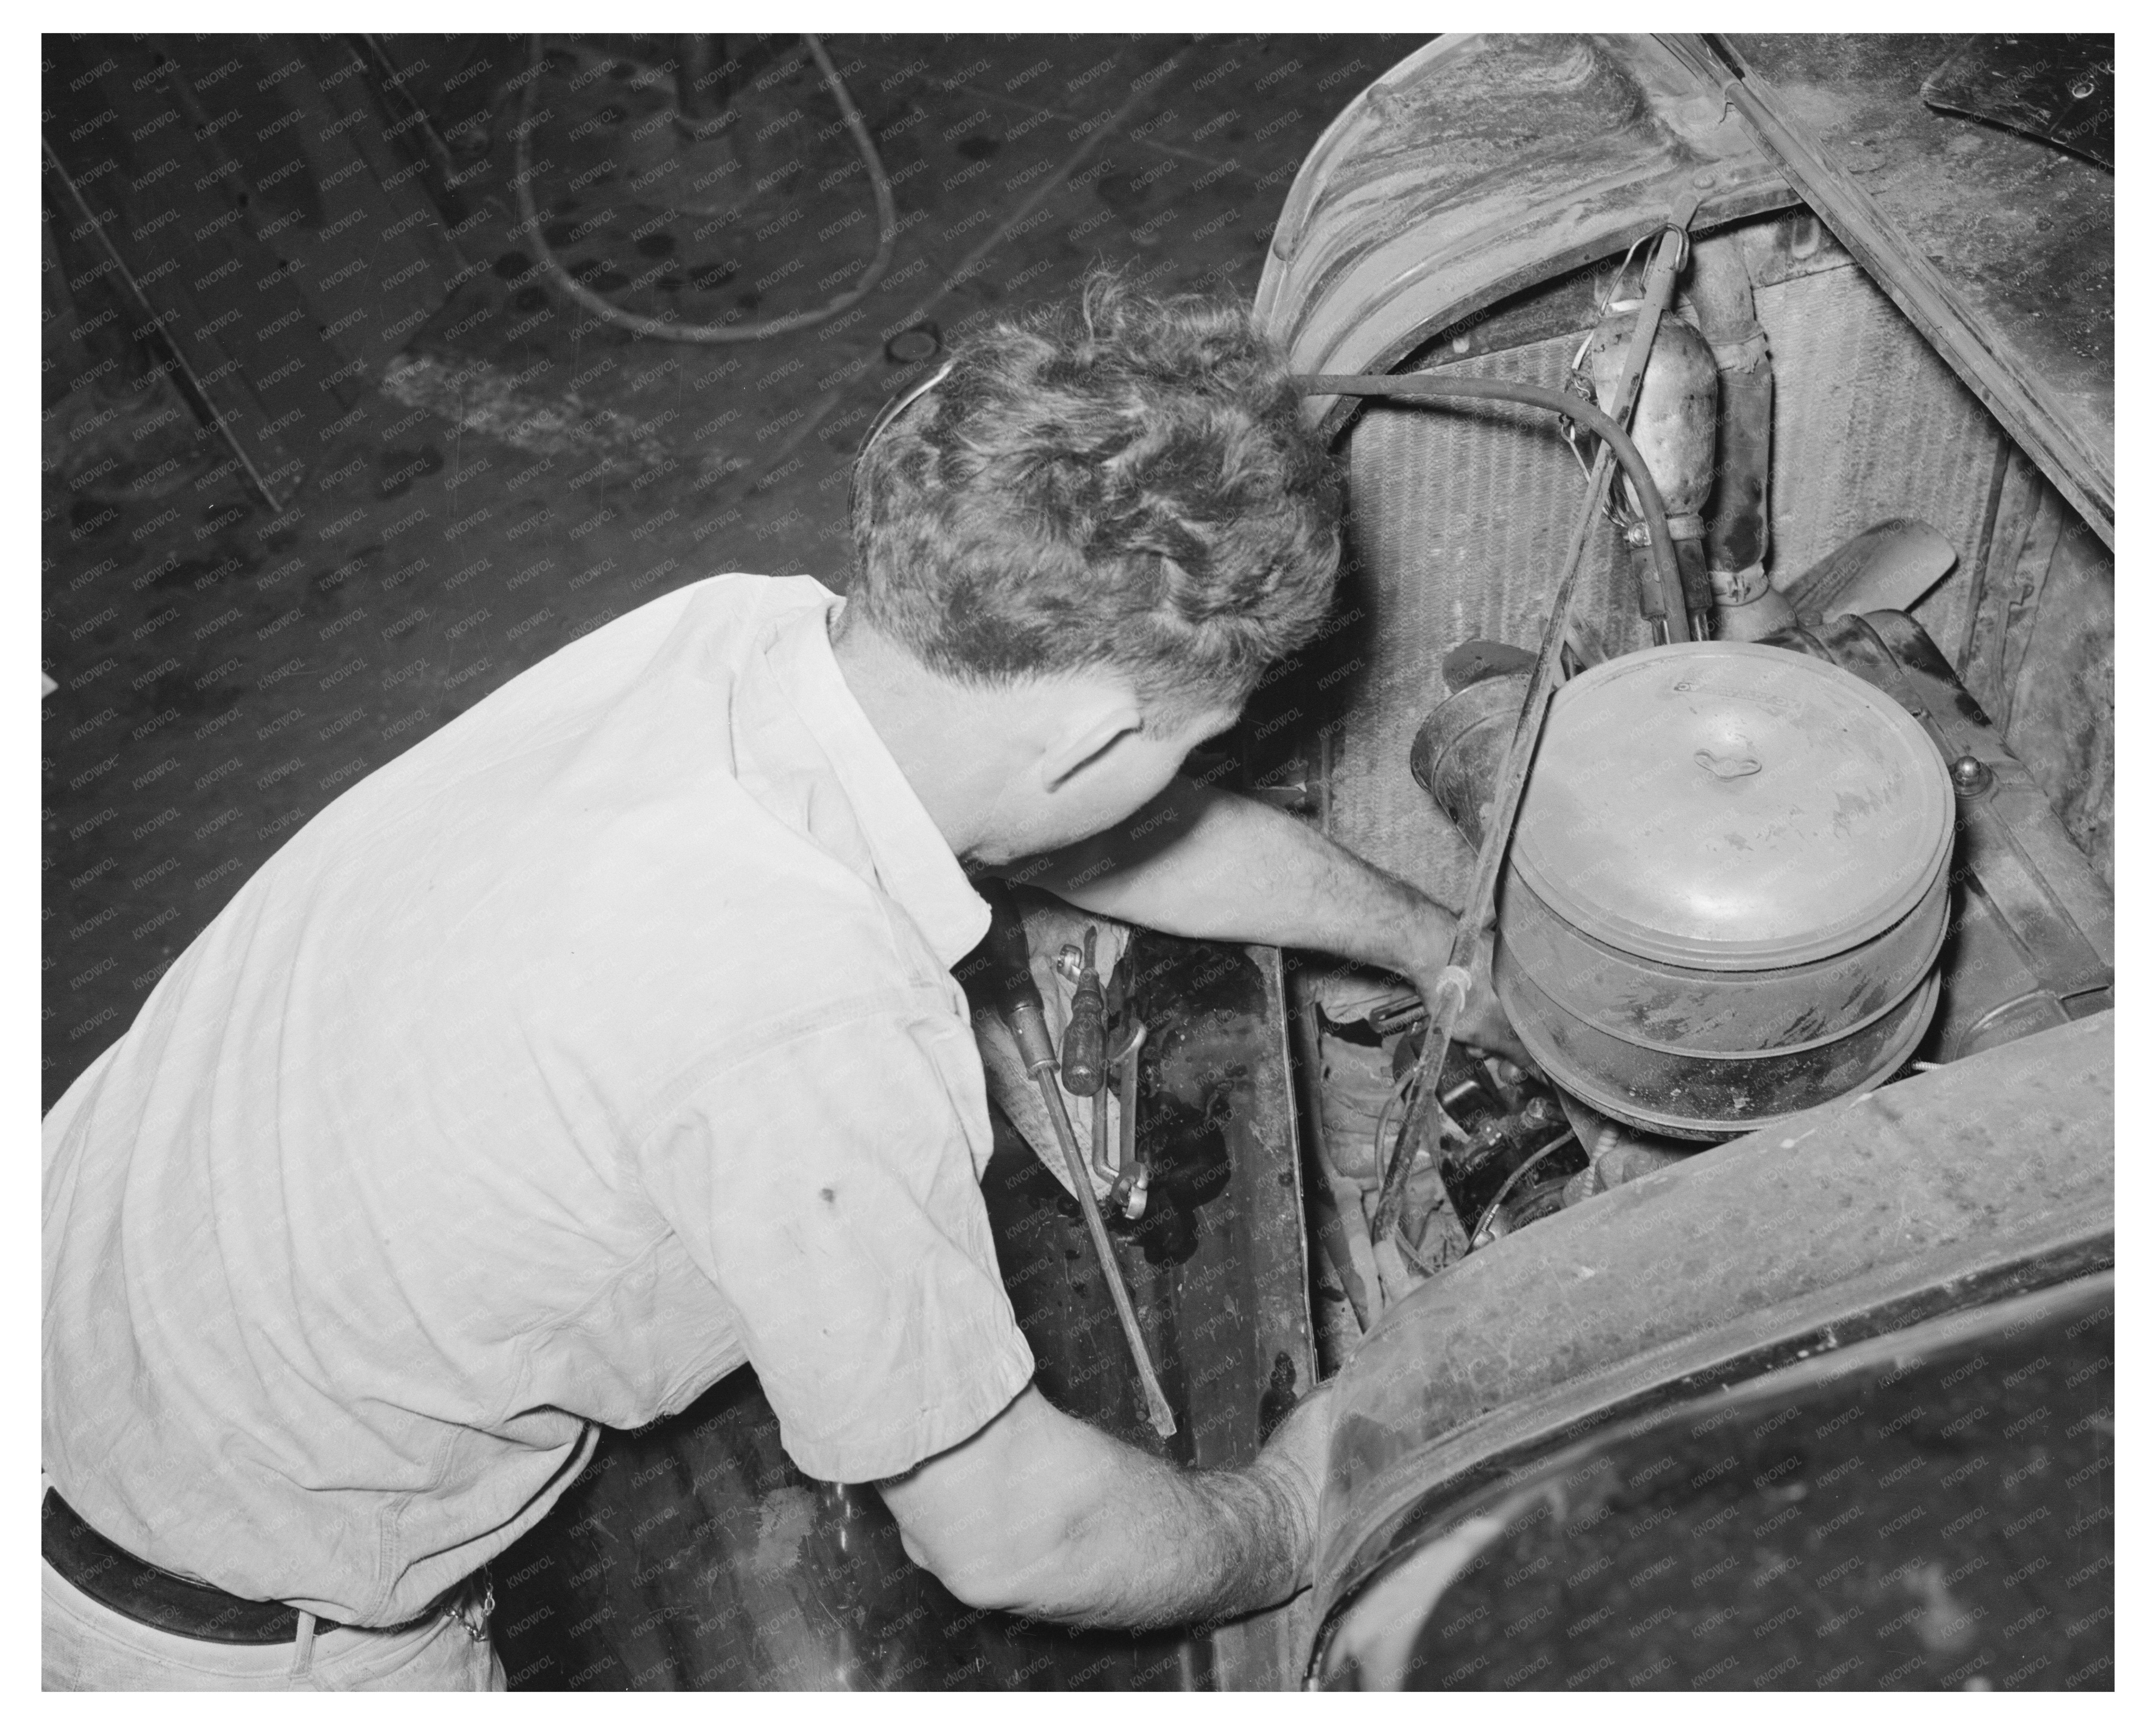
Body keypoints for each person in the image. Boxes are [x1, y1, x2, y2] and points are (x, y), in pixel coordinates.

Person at [42, 270, 1509, 1690]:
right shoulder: (812, 1016)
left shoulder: (739, 641)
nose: (1187, 776)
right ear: (1090, 739)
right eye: (1195, 741)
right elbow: (1013, 1534)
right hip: (201, 1635)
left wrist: (1434, 945)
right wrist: (1296, 1511)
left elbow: (1100, 832)